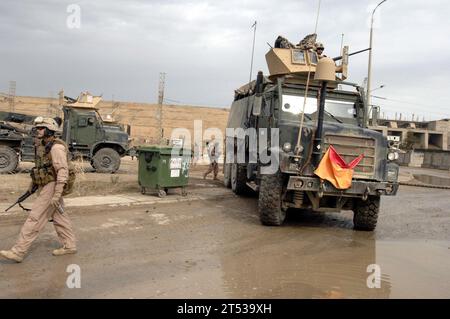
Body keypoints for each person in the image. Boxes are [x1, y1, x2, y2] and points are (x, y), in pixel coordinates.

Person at [0, 117, 77, 263]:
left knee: (35, 218)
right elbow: (41, 168)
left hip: (52, 186)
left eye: (42, 128)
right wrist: (32, 184)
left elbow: (62, 171)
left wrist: (56, 194)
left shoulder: (56, 148)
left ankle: (19, 251)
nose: (38, 130)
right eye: (38, 128)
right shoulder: (43, 145)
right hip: (46, 184)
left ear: (50, 130)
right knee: (60, 217)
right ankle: (70, 245)